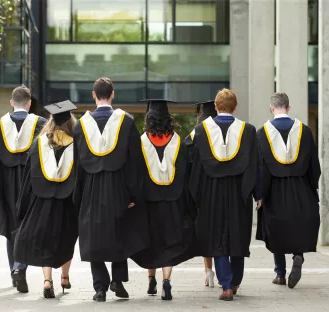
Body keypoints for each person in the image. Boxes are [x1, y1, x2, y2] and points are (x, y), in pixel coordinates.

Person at [73, 77, 149, 302]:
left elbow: (77, 165)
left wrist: (78, 195)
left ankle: (100, 287)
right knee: (120, 231)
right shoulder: (125, 122)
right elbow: (135, 161)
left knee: (92, 235)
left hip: (91, 187)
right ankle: (117, 280)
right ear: (113, 94)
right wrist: (134, 193)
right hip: (119, 186)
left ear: (93, 95)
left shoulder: (81, 125)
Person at [189, 89, 261, 301]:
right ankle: (236, 280)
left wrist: (195, 195)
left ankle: (226, 285)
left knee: (218, 237)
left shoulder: (202, 130)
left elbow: (195, 167)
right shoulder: (248, 131)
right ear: (235, 107)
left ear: (217, 107)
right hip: (239, 192)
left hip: (212, 193)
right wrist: (258, 194)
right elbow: (256, 166)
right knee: (237, 235)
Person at [131, 99, 195, 301]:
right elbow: (185, 174)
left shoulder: (140, 142)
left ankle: (151, 279)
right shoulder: (179, 142)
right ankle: (166, 281)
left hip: (149, 201)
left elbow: (136, 175)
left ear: (149, 119)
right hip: (172, 201)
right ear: (169, 119)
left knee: (152, 241)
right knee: (168, 242)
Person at [13, 101, 79, 298]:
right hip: (68, 201)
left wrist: (22, 206)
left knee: (46, 241)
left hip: (42, 200)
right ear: (70, 121)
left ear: (51, 121)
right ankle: (65, 278)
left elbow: (28, 178)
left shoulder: (38, 144)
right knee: (67, 238)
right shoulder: (77, 143)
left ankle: (47, 281)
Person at [256, 92, 321, 289]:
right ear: (288, 107)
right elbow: (314, 165)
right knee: (298, 224)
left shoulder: (261, 133)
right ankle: (298, 255)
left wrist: (260, 194)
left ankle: (280, 274)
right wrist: (312, 187)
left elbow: (260, 169)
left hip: (274, 190)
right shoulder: (305, 130)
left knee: (277, 229)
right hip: (301, 187)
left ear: (271, 107)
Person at [0, 86, 47, 293]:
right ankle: (20, 268)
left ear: (12, 103)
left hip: (6, 182)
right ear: (30, 103)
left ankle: (14, 270)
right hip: (31, 183)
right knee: (27, 226)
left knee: (11, 227)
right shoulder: (40, 123)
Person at [185, 100, 218, 288]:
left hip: (200, 192)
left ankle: (208, 271)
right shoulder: (222, 134)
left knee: (205, 232)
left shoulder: (194, 135)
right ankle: (223, 269)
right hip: (219, 189)